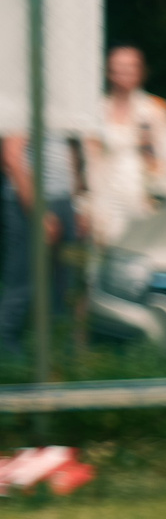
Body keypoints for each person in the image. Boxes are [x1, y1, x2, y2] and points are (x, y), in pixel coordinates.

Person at [84, 45, 166, 246]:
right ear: (109, 71)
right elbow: (89, 162)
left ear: (141, 71)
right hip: (106, 201)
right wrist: (87, 205)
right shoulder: (96, 111)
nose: (125, 72)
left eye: (131, 66)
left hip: (145, 199)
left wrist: (163, 196)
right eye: (119, 67)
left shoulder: (156, 109)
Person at [0, 130, 79, 358]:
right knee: (22, 286)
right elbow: (12, 156)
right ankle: (10, 368)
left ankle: (57, 362)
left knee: (64, 287)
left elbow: (64, 152)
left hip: (62, 202)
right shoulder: (22, 97)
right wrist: (40, 214)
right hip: (30, 203)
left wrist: (75, 203)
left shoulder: (58, 102)